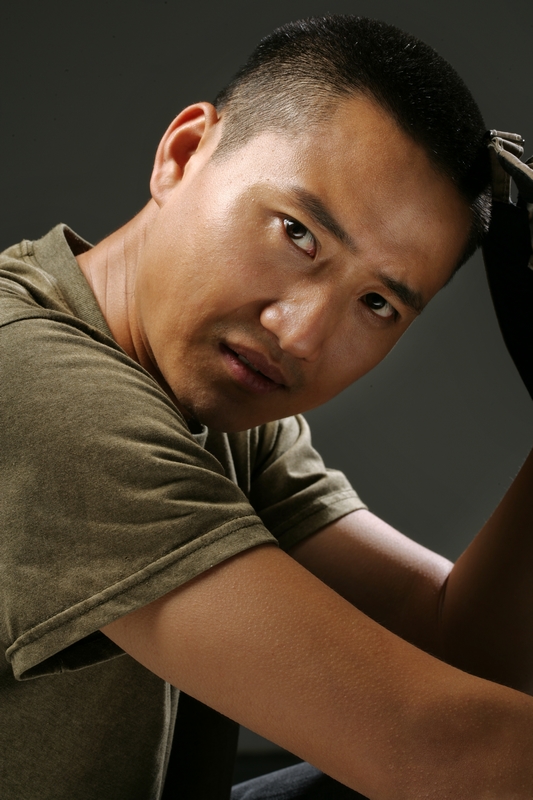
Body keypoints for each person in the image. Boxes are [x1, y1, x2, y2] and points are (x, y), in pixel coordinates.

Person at [1, 14, 532, 800]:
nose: (300, 334)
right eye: (298, 233)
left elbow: (457, 649)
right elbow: (440, 752)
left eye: (378, 304)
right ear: (184, 153)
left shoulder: (208, 400)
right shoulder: (33, 385)